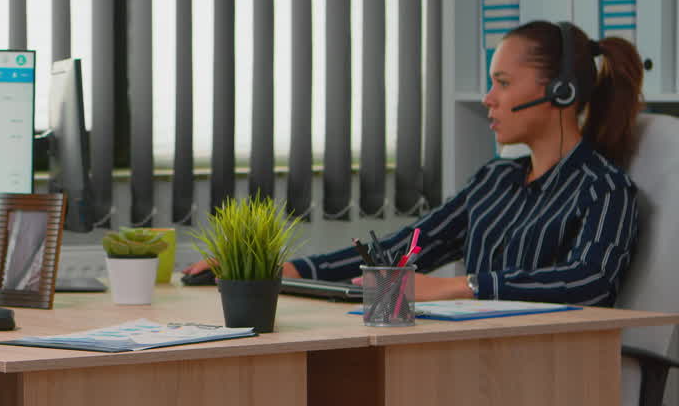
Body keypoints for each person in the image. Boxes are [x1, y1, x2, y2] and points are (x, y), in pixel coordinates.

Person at [186, 20, 644, 307]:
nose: (489, 99)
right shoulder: (497, 179)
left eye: (503, 83)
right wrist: (284, 270)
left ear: (560, 92)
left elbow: (590, 281)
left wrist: (454, 287)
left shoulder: (604, 189)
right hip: (467, 356)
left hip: (545, 368)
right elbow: (407, 247)